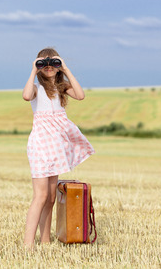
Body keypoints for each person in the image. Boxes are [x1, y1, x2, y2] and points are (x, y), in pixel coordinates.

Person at [22, 47, 95, 247]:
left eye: (52, 63)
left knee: (52, 197)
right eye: (43, 64)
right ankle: (27, 246)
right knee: (41, 195)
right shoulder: (37, 88)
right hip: (40, 145)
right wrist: (32, 70)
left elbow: (80, 95)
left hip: (56, 146)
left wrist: (66, 68)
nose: (48, 67)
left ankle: (45, 241)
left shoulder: (62, 88)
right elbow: (27, 96)